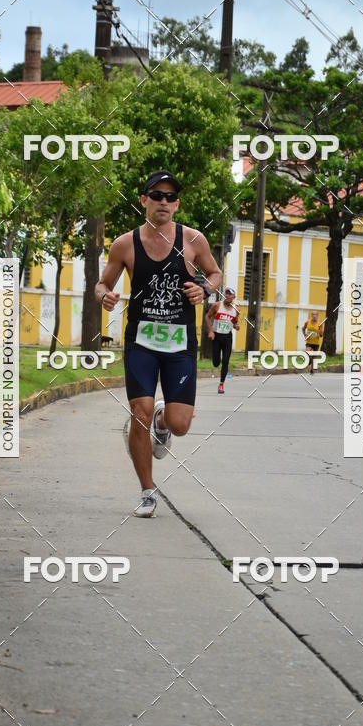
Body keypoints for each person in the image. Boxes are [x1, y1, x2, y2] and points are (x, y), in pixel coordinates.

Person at [95, 170, 222, 518]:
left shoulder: (194, 240)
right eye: (157, 195)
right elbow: (102, 284)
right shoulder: (124, 244)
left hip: (180, 344)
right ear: (144, 201)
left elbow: (215, 274)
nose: (163, 201)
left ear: (177, 203)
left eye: (170, 196)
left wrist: (205, 289)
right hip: (142, 342)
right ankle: (148, 491)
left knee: (181, 424)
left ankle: (163, 425)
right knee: (140, 412)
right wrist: (105, 296)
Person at [206, 287, 240, 393]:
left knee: (225, 361)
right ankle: (217, 361)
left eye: (230, 294)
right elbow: (207, 316)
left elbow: (234, 322)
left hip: (227, 338)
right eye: (226, 293)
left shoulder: (236, 309)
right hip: (216, 336)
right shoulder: (217, 305)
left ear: (234, 297)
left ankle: (221, 385)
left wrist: (236, 325)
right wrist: (210, 331)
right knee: (216, 363)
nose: (228, 295)